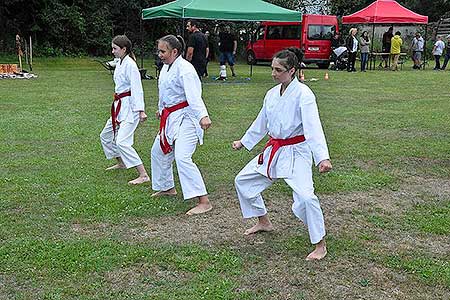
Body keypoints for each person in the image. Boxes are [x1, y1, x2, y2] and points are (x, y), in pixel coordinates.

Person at [232, 48, 332, 261]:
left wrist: (322, 157)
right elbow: (261, 122)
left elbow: (313, 127)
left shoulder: (304, 94)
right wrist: (244, 141)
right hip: (274, 150)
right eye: (272, 69)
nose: (273, 74)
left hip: (297, 152)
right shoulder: (271, 94)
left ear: (292, 70)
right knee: (243, 181)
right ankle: (263, 221)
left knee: (306, 197)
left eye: (278, 70)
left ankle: (320, 244)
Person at [151, 35, 213, 216]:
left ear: (175, 51)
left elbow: (194, 95)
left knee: (183, 157)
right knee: (158, 151)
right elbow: (164, 91)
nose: (160, 54)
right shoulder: (166, 68)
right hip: (171, 116)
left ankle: (204, 200)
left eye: (163, 51)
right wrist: (161, 109)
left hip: (188, 117)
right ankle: (167, 187)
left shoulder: (185, 69)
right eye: (159, 51)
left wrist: (203, 116)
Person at [99, 35, 149, 185]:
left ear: (124, 49)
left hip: (130, 108)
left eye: (115, 48)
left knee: (122, 142)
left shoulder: (131, 65)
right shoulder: (120, 62)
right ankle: (121, 162)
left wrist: (141, 110)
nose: (112, 51)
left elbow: (137, 88)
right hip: (119, 105)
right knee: (106, 135)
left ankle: (143, 174)